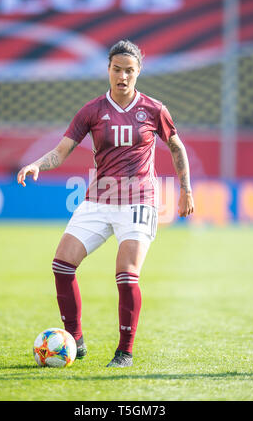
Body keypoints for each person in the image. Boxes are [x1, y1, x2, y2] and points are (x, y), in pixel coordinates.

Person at [17, 39, 194, 368]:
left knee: (126, 274)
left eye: (129, 71)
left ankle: (124, 352)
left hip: (139, 201)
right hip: (99, 200)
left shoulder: (154, 109)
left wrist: (186, 189)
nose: (122, 76)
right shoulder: (92, 111)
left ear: (138, 72)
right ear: (108, 71)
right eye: (117, 69)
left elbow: (176, 147)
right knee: (61, 264)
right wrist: (37, 164)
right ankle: (75, 339)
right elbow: (61, 151)